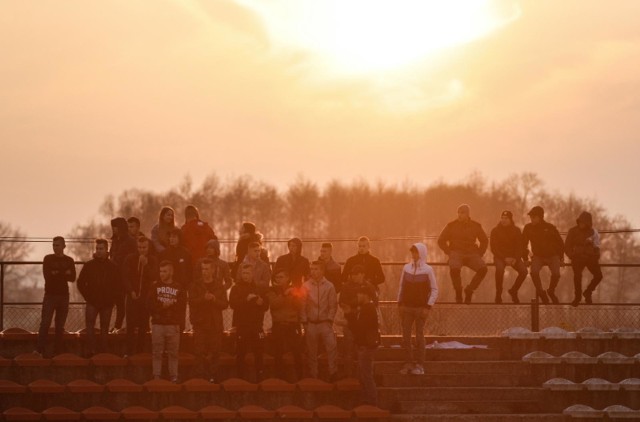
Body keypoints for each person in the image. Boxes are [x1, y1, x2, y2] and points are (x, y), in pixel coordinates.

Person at [397, 243, 438, 375]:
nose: (414, 255)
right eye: (412, 252)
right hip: (407, 308)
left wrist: (428, 306)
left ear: (421, 253)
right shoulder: (406, 268)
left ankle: (420, 364)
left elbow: (434, 289)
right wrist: (400, 304)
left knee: (419, 336)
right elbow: (401, 287)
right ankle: (408, 363)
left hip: (421, 309)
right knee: (406, 337)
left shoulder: (428, 270)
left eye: (416, 252)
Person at [77, 239, 120, 356]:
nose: (99, 251)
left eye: (101, 248)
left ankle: (103, 351)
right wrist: (88, 297)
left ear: (107, 250)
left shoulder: (113, 266)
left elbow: (117, 285)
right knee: (90, 325)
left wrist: (112, 299)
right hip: (92, 301)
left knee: (104, 327)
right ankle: (92, 350)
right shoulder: (89, 265)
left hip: (107, 302)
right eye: (97, 248)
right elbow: (80, 282)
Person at [437, 204, 488, 304]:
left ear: (467, 214)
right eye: (458, 213)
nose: (459, 215)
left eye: (462, 213)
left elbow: (484, 240)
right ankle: (458, 291)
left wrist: (480, 253)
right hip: (456, 253)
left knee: (483, 269)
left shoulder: (476, 226)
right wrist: (449, 252)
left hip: (472, 254)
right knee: (454, 270)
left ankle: (470, 290)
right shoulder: (451, 226)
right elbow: (441, 240)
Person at [35, 236, 76, 356]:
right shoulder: (47, 259)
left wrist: (57, 272)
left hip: (64, 295)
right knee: (45, 323)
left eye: (57, 245)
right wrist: (64, 273)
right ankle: (39, 349)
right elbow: (48, 276)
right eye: (53, 245)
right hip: (50, 295)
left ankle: (58, 351)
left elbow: (72, 277)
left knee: (60, 325)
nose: (55, 247)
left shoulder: (69, 260)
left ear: (63, 246)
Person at [189, 259, 229, 382]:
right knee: (199, 351)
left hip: (215, 323)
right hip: (200, 323)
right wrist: (203, 298)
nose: (204, 272)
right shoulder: (195, 285)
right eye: (202, 269)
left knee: (215, 351)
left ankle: (214, 376)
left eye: (206, 269)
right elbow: (191, 301)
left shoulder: (219, 286)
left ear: (213, 270)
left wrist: (214, 300)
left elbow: (225, 304)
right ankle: (200, 376)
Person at [147, 260, 186, 382]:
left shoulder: (178, 287)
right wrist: (162, 306)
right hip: (158, 324)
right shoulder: (154, 286)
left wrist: (179, 323)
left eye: (165, 271)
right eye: (160, 271)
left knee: (173, 353)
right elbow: (149, 304)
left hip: (173, 324)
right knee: (157, 352)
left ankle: (174, 376)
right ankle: (156, 376)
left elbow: (182, 306)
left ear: (171, 272)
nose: (162, 274)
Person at [229, 264, 268, 381]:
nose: (245, 276)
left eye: (248, 273)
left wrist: (261, 303)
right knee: (241, 353)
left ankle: (259, 377)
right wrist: (246, 300)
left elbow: (266, 305)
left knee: (259, 352)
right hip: (242, 325)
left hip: (257, 325)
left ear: (253, 274)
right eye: (243, 273)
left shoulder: (259, 288)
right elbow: (233, 304)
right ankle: (240, 377)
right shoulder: (236, 288)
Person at [301, 261, 338, 381]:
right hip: (311, 323)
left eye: (316, 269)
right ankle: (314, 374)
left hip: (324, 322)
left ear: (322, 271)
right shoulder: (305, 286)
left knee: (332, 347)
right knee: (311, 351)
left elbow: (333, 305)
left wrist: (330, 320)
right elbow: (302, 305)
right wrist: (304, 321)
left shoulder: (329, 286)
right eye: (312, 269)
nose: (313, 272)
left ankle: (333, 372)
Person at [122, 236, 158, 356]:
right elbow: (125, 277)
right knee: (130, 326)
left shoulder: (152, 260)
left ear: (148, 247)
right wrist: (131, 291)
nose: (142, 250)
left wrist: (146, 265)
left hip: (145, 297)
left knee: (143, 325)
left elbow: (154, 277)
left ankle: (140, 351)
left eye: (144, 247)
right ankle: (129, 352)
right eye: (140, 247)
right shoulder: (130, 259)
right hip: (132, 296)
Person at [266, 269, 304, 381]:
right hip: (279, 324)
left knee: (296, 351)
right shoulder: (272, 291)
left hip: (293, 324)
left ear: (288, 278)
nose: (279, 279)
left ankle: (299, 376)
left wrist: (295, 296)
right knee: (278, 351)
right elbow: (273, 305)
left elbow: (299, 306)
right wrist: (284, 295)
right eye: (277, 277)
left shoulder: (295, 290)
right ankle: (279, 377)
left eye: (281, 277)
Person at [522, 206, 564, 304]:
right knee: (534, 272)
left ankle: (551, 290)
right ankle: (541, 292)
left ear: (540, 217)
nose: (531, 219)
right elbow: (523, 244)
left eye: (533, 217)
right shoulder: (528, 228)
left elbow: (560, 243)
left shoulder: (550, 227)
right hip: (538, 256)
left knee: (556, 274)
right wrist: (525, 258)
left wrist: (561, 258)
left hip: (553, 255)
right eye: (530, 217)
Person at [339, 265, 375, 378]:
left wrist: (356, 307)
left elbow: (375, 302)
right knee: (348, 350)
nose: (353, 276)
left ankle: (363, 376)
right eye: (352, 274)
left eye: (356, 274)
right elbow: (342, 302)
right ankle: (348, 375)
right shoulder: (346, 286)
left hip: (365, 325)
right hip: (350, 321)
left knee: (364, 352)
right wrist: (357, 305)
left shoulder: (369, 286)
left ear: (362, 274)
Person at [565, 211, 603, 306]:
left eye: (584, 222)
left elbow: (597, 245)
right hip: (577, 257)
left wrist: (596, 256)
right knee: (577, 276)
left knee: (599, 276)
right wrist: (571, 255)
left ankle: (588, 292)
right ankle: (577, 297)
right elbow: (567, 245)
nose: (581, 224)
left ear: (588, 223)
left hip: (590, 258)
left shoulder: (593, 232)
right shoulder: (573, 231)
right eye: (580, 222)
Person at [490, 211, 529, 304]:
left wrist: (515, 258)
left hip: (514, 257)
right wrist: (504, 258)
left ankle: (514, 290)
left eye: (506, 218)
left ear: (511, 219)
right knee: (499, 269)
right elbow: (494, 248)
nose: (503, 220)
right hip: (500, 257)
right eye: (502, 217)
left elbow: (520, 246)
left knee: (524, 271)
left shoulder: (517, 231)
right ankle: (498, 293)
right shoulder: (495, 231)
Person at [349, 289, 380, 405]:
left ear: (366, 295)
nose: (357, 295)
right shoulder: (367, 308)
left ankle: (371, 402)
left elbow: (359, 328)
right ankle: (366, 400)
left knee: (366, 375)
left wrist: (349, 317)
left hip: (367, 347)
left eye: (360, 293)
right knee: (363, 375)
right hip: (365, 346)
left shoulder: (368, 309)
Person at [109, 217, 137, 333]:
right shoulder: (116, 240)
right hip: (116, 277)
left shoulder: (130, 241)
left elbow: (130, 258)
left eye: (115, 227)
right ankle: (118, 326)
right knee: (119, 304)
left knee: (128, 305)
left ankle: (129, 326)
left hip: (126, 276)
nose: (113, 229)